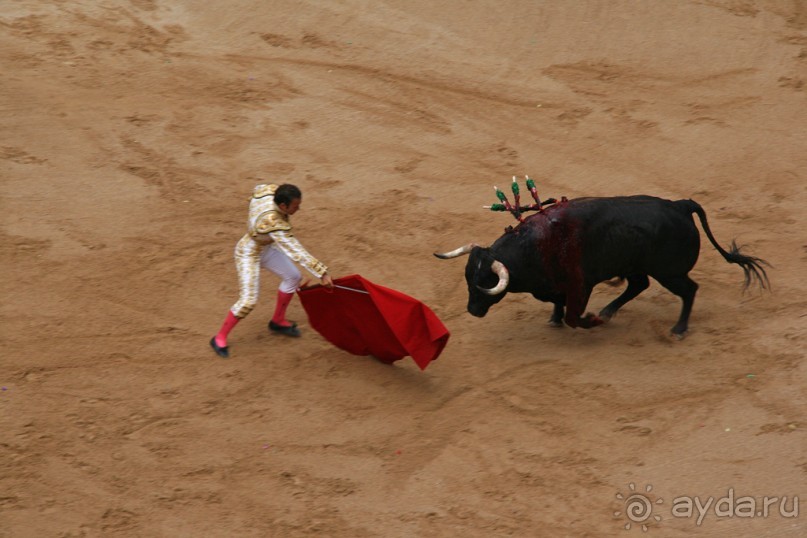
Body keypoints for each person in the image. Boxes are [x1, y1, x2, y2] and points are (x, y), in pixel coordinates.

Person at [210, 183, 333, 358]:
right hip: (248, 253)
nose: (298, 209)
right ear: (283, 206)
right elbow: (295, 249)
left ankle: (277, 321)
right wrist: (322, 273)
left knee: (293, 277)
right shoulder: (273, 223)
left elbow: (257, 188)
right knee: (248, 301)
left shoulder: (268, 191)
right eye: (295, 206)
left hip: (266, 249)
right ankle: (219, 337)